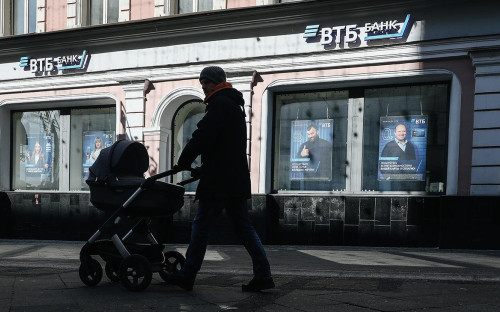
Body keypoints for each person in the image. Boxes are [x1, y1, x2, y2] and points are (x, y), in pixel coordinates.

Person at [166, 66, 274, 292]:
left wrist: (183, 161)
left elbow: (201, 137)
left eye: (207, 82)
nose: (203, 86)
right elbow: (223, 147)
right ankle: (263, 274)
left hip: (219, 182)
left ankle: (187, 274)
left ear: (218, 82)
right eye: (202, 82)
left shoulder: (219, 105)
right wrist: (202, 168)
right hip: (233, 179)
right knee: (244, 227)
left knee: (201, 225)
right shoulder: (233, 105)